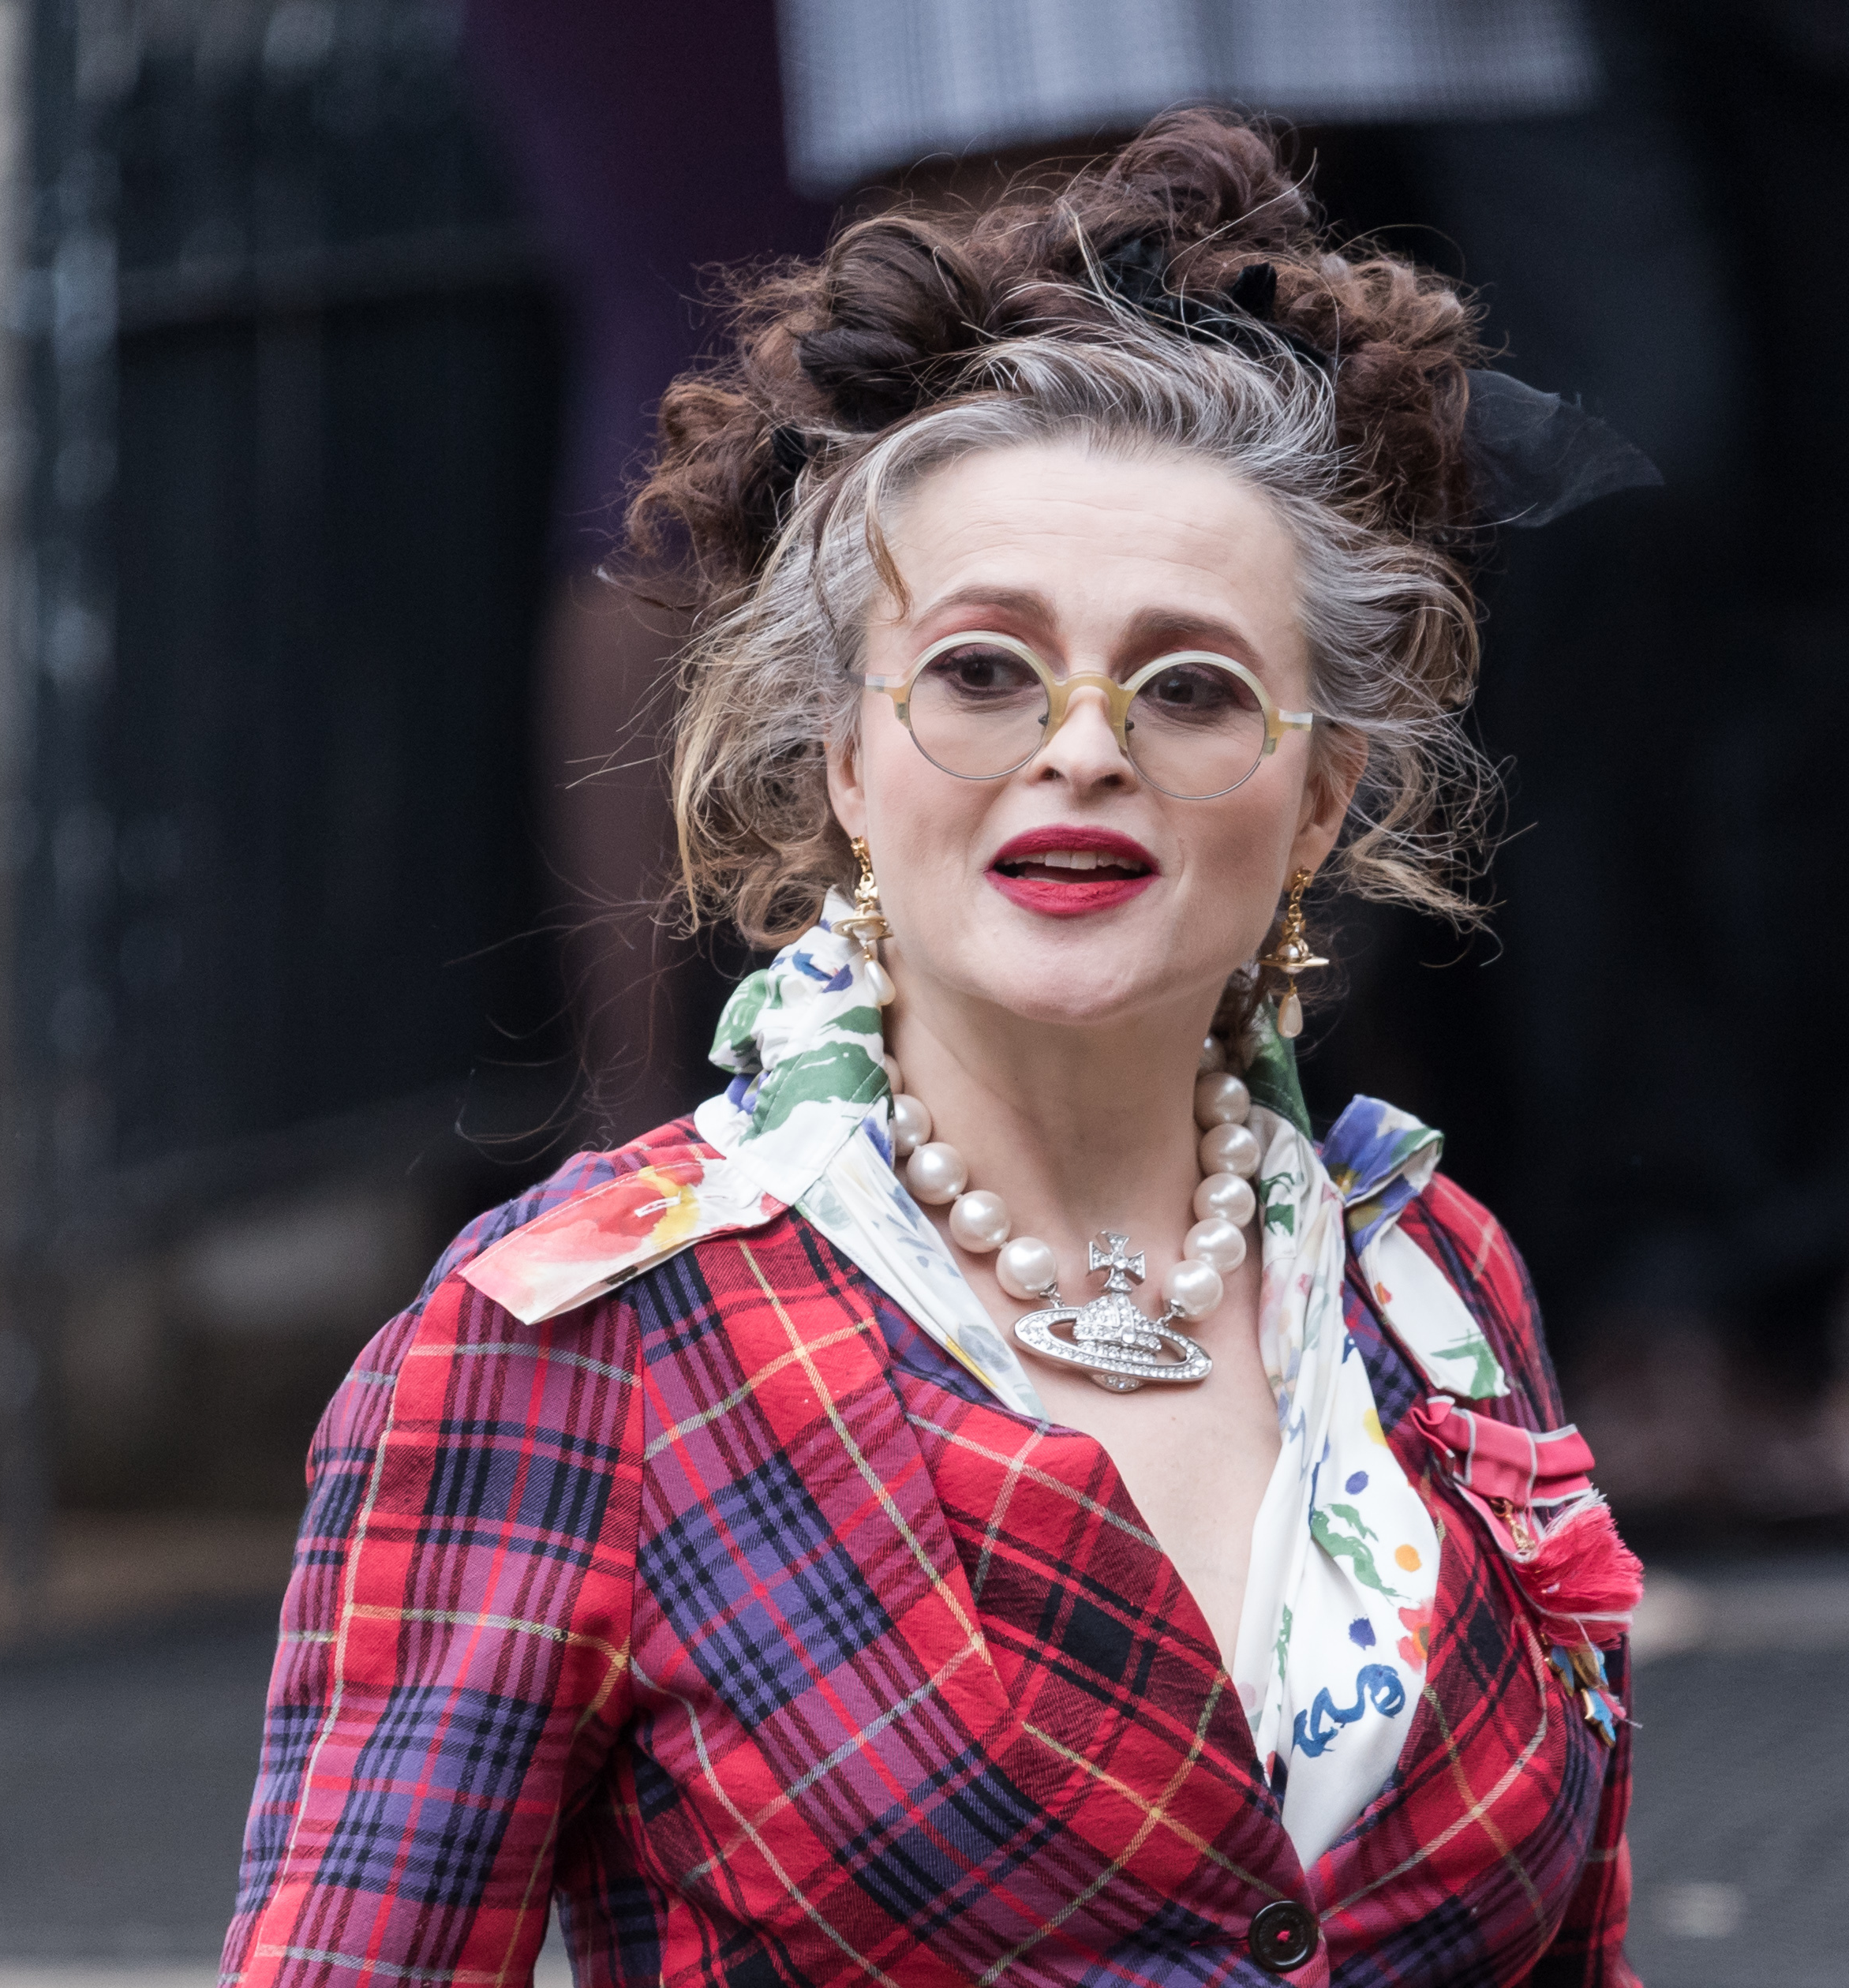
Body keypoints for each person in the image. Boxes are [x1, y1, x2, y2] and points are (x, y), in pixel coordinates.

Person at [219, 114, 1645, 1987]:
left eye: (1190, 686)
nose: (1080, 748)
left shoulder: (1428, 1283)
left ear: (1318, 802)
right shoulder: (576, 1348)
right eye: (980, 671)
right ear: (839, 762)